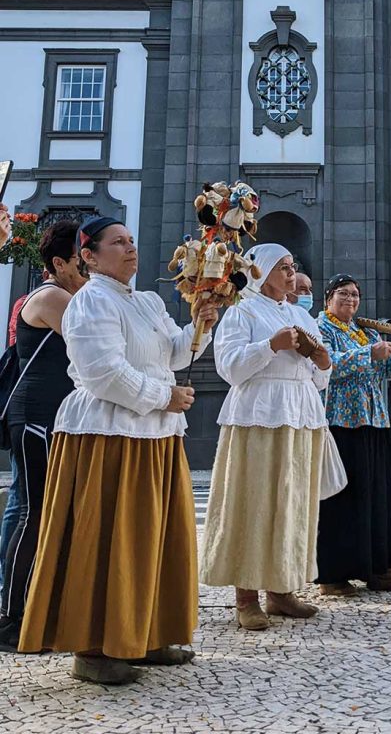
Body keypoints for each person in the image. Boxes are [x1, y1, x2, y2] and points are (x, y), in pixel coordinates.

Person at [18, 217, 218, 685]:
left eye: (132, 240)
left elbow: (173, 353)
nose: (130, 248)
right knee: (104, 539)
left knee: (150, 537)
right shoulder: (89, 300)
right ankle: (92, 647)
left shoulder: (146, 300)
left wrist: (200, 325)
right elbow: (100, 371)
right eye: (117, 243)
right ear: (88, 255)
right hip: (106, 434)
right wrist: (161, 396)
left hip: (154, 434)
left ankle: (141, 635)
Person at [200, 243, 332, 631]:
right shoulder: (241, 311)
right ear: (260, 271)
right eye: (283, 267)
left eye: (293, 266)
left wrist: (323, 362)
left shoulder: (297, 313)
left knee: (293, 502)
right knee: (253, 501)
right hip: (257, 412)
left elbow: (317, 376)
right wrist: (270, 346)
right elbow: (229, 367)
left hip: (300, 412)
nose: (291, 274)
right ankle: (246, 596)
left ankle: (281, 588)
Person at [0, 222, 86, 651]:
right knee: (33, 512)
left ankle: (34, 608)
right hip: (36, 417)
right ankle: (11, 618)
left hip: (50, 416)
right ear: (58, 264)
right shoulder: (53, 297)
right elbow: (93, 341)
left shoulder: (67, 295)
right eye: (80, 260)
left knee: (37, 510)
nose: (85, 268)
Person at [316, 273, 391, 596]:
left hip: (375, 420)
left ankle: (381, 568)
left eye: (355, 294)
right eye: (343, 294)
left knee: (380, 499)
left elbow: (385, 371)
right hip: (342, 422)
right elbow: (327, 365)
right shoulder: (322, 328)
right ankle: (333, 575)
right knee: (343, 500)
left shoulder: (363, 331)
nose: (350, 299)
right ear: (328, 299)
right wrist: (368, 355)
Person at [0, 294, 28, 600]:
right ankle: (8, 575)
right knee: (20, 497)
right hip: (27, 408)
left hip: (21, 406)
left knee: (20, 496)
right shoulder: (33, 301)